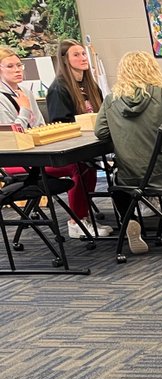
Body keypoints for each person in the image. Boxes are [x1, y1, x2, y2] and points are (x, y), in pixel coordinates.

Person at [95, 52, 162, 257]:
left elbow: (100, 132)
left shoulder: (111, 100)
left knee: (116, 184)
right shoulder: (159, 94)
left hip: (131, 177)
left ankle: (131, 222)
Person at [26, 41, 112, 239]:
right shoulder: (59, 89)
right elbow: (61, 125)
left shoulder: (90, 86)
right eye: (76, 55)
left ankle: (96, 213)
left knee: (90, 165)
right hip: (58, 156)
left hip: (90, 145)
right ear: (65, 60)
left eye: (83, 54)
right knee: (81, 168)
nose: (83, 58)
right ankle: (76, 221)